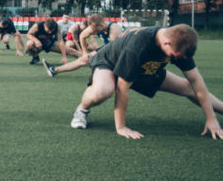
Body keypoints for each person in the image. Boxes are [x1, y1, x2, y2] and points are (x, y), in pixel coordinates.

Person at [69, 24, 223, 139]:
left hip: (144, 67)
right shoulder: (138, 47)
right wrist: (121, 127)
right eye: (175, 56)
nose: (176, 59)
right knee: (103, 91)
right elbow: (122, 88)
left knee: (187, 86)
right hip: (109, 63)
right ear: (166, 43)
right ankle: (82, 110)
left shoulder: (179, 43)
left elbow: (196, 81)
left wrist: (211, 118)